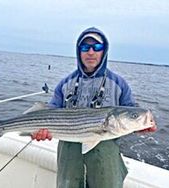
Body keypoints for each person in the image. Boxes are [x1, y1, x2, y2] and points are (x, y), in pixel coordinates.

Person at [31, 27, 157, 188]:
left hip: (105, 157)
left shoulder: (119, 84)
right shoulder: (65, 83)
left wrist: (141, 125)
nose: (91, 52)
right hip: (69, 156)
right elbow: (50, 111)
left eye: (96, 47)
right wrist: (39, 130)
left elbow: (132, 109)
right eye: (85, 47)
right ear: (79, 51)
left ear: (104, 51)